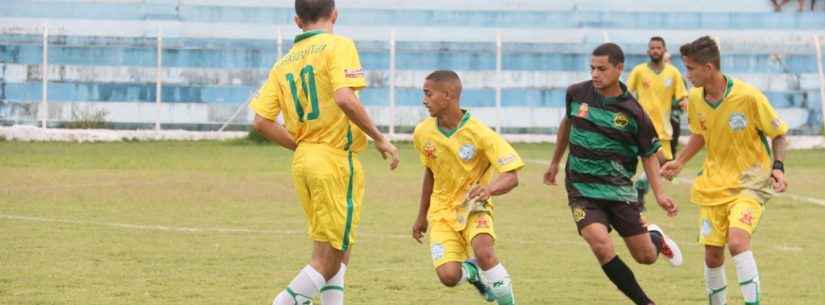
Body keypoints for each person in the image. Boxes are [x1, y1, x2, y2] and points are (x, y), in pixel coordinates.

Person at [249, 1, 400, 304]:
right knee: (328, 258)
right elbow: (345, 98)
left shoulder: (283, 63)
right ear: (335, 14)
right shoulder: (338, 46)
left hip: (306, 159)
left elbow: (261, 121)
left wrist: (303, 145)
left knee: (338, 250)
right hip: (333, 159)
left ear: (297, 20)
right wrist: (379, 138)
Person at [543, 43, 682, 305]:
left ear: (619, 69)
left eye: (602, 69)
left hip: (618, 191)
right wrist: (554, 163)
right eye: (592, 68)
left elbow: (649, 155)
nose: (595, 74)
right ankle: (645, 302)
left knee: (645, 256)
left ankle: (655, 237)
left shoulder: (634, 112)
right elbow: (567, 123)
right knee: (600, 243)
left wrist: (660, 194)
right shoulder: (576, 93)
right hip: (582, 190)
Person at [662, 36, 789, 305]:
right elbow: (700, 133)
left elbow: (778, 133)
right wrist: (681, 160)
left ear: (708, 68)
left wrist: (778, 167)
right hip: (713, 184)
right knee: (712, 256)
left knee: (737, 242)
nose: (687, 75)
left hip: (751, 182)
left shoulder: (748, 96)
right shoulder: (695, 98)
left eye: (690, 68)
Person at [411, 70, 524, 305]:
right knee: (449, 277)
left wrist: (489, 190)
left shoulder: (481, 134)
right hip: (442, 213)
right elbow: (430, 173)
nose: (424, 100)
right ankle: (473, 273)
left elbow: (511, 176)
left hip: (474, 206)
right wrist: (421, 216)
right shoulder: (422, 133)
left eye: (428, 94)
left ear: (448, 95)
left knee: (484, 252)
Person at [626, 37, 688, 205]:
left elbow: (682, 96)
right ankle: (636, 189)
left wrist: (686, 106)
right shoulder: (639, 71)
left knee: (664, 162)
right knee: (659, 162)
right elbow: (627, 93)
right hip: (642, 126)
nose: (655, 51)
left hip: (664, 128)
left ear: (664, 50)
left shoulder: (673, 73)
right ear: (648, 51)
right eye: (652, 48)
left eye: (658, 48)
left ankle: (639, 189)